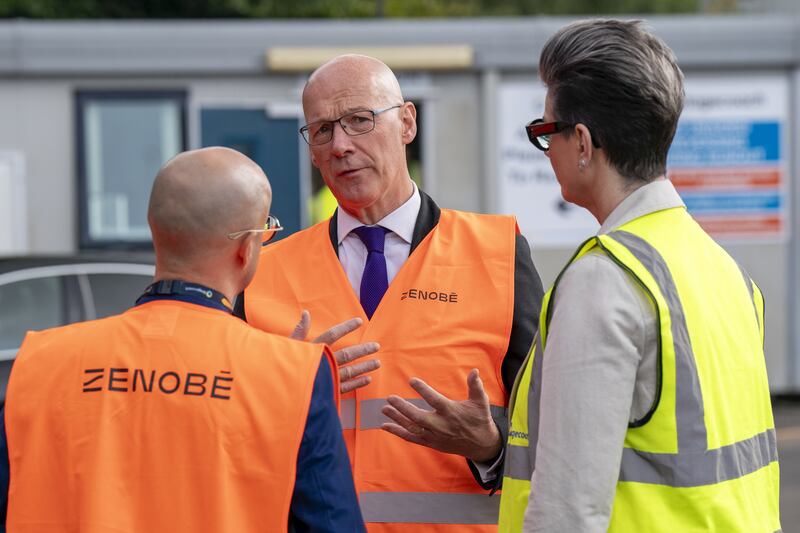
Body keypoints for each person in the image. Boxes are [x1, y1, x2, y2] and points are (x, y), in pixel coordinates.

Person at [235, 54, 544, 531]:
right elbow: (221, 431)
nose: (339, 145)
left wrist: (491, 445)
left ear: (406, 123)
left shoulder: (498, 254)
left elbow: (550, 422)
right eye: (321, 131)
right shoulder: (262, 273)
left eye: (359, 121)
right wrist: (279, 392)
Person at [497, 19, 781, 533]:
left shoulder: (605, 278)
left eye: (544, 132)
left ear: (582, 142)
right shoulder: (723, 269)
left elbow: (567, 511)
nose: (548, 151)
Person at [0, 147, 365, 533]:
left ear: (156, 232)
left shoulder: (41, 363)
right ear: (246, 249)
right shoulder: (293, 376)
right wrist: (283, 382)